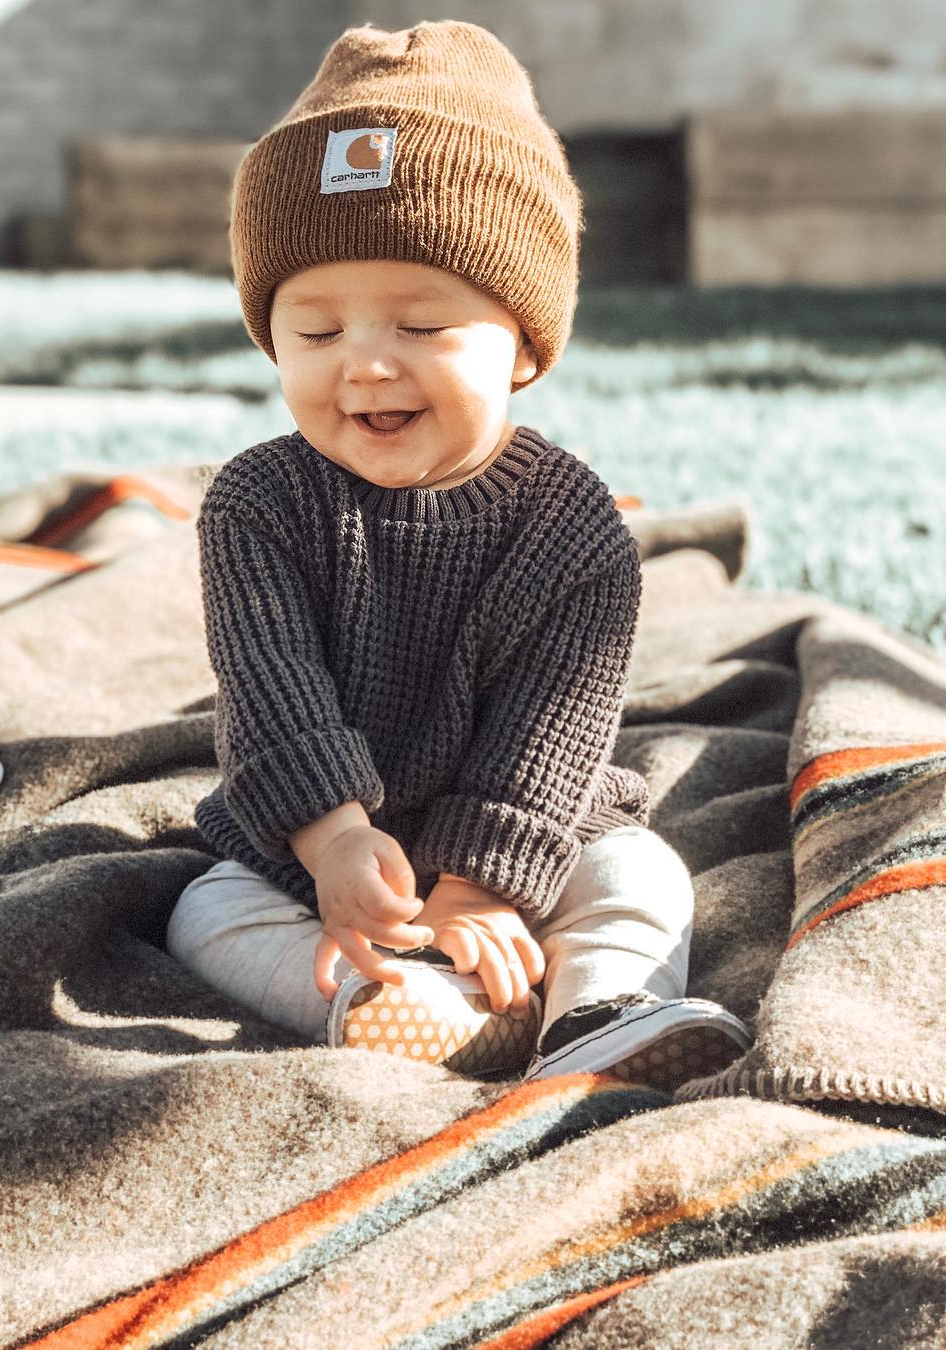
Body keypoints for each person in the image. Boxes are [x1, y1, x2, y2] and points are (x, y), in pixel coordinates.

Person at [166, 18, 752, 1088]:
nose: (367, 366)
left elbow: (554, 724)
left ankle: (601, 1012)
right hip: (317, 856)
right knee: (206, 909)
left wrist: (485, 885)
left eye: (423, 326)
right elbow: (272, 691)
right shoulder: (260, 501)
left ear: (523, 344)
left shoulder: (570, 523)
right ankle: (377, 999)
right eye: (317, 332)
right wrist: (335, 846)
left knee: (641, 874)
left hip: (528, 837)